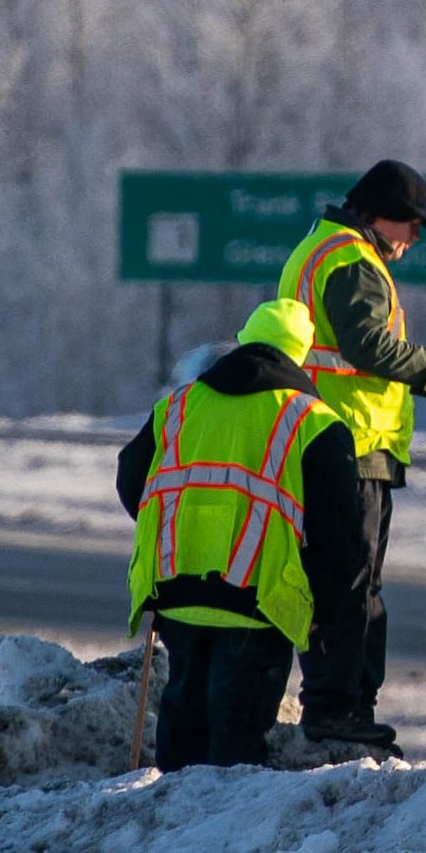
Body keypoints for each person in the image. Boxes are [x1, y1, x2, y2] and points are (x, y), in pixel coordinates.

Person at [274, 161, 426, 756]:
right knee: (350, 584)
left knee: (345, 583)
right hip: (350, 443)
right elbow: (367, 347)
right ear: (373, 215)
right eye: (408, 226)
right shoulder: (352, 261)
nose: (411, 240)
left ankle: (340, 704)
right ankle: (340, 710)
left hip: (330, 440)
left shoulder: (320, 248)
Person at [116, 299, 355, 772]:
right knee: (236, 751)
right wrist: (321, 613)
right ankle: (217, 840)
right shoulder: (314, 422)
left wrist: (177, 533)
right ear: (301, 357)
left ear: (242, 344)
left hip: (177, 591)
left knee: (181, 730)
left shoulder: (179, 406)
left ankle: (164, 833)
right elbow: (340, 539)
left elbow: (131, 480)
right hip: (258, 601)